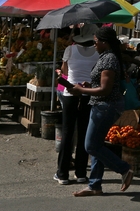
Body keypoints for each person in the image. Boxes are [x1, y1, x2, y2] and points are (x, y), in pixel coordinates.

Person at [68, 27, 133, 197]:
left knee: (90, 145)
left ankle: (124, 169)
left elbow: (105, 90)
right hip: (102, 104)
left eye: (96, 41)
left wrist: (81, 91)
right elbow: (102, 84)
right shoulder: (105, 56)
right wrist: (90, 86)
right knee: (97, 145)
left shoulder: (109, 59)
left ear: (104, 42)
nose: (94, 44)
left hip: (106, 106)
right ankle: (95, 185)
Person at [54, 24, 100, 185]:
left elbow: (65, 71)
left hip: (70, 93)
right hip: (88, 94)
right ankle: (81, 173)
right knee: (83, 133)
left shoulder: (70, 50)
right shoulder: (98, 53)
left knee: (67, 133)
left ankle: (62, 174)